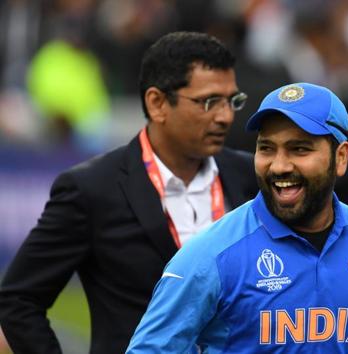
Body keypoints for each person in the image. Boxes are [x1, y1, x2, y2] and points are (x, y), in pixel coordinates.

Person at [0, 31, 258, 354]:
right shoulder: (92, 189)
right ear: (157, 103)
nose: (225, 116)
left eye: (232, 101)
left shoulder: (251, 176)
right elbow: (18, 298)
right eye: (209, 102)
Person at [126, 82, 348, 353]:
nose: (279, 166)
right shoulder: (211, 255)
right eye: (267, 148)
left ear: (341, 157)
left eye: (299, 149)